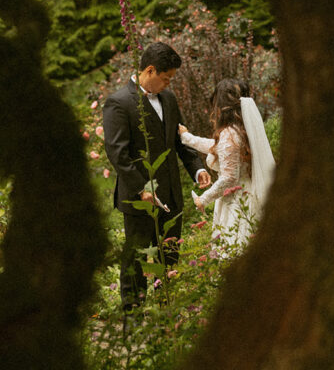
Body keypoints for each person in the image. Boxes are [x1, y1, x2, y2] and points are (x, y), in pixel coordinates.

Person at [103, 41, 212, 309]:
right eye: (165, 79)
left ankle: (168, 319)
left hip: (171, 196)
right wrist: (142, 187)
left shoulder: (169, 99)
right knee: (137, 263)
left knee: (169, 261)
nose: (168, 85)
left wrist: (197, 168)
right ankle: (133, 323)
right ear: (149, 71)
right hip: (139, 199)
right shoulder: (118, 103)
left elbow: (179, 140)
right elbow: (118, 154)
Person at [179, 79, 275, 252]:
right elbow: (219, 149)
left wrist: (204, 199)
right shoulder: (241, 131)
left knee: (233, 250)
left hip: (237, 202)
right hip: (248, 193)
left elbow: (230, 177)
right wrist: (187, 139)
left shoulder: (229, 134)